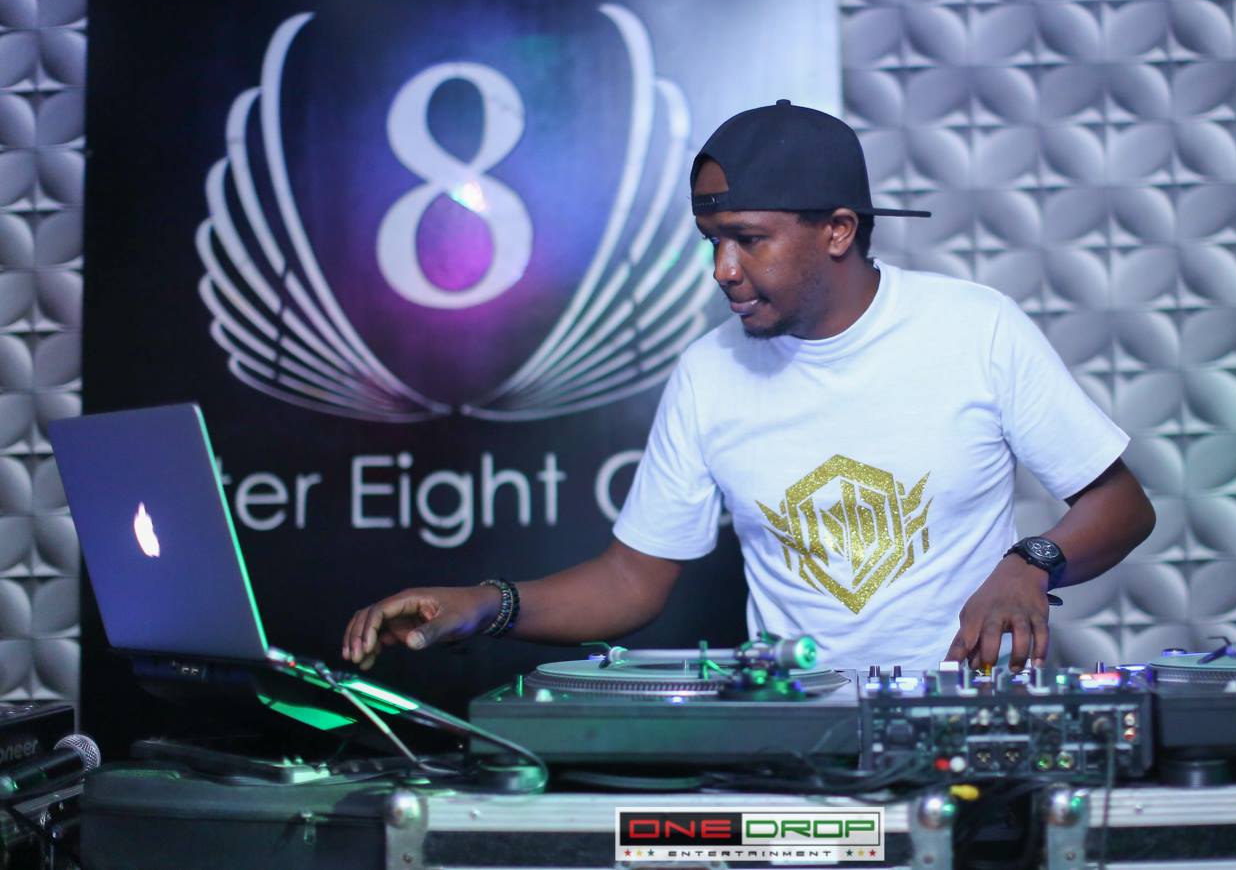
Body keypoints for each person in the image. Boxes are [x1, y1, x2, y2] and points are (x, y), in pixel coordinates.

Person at [343, 100, 1155, 674]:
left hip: (971, 726)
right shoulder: (709, 373)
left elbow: (1121, 506)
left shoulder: (975, 328)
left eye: (748, 240)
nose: (722, 270)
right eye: (712, 241)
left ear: (837, 230)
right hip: (795, 743)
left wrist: (1029, 563)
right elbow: (631, 582)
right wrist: (482, 603)